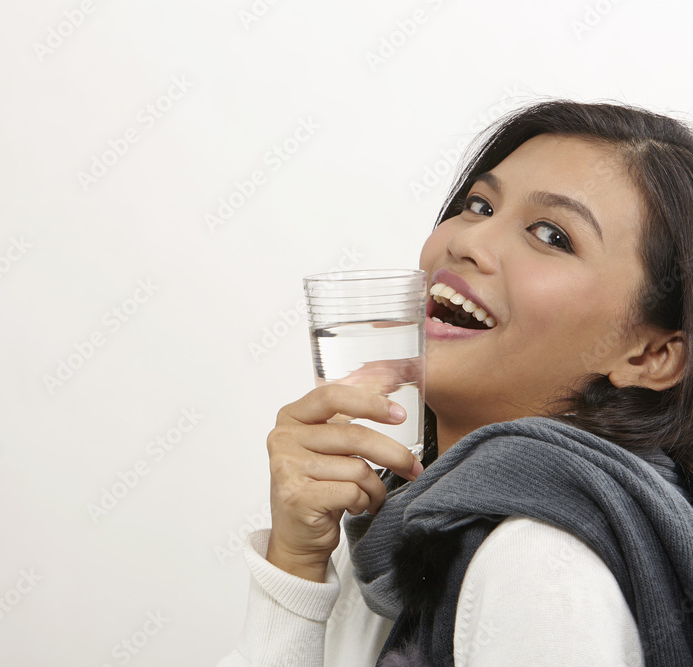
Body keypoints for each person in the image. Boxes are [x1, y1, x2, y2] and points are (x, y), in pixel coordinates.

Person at [218, 99, 693, 666]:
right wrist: (296, 562)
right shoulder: (405, 518)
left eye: (551, 234)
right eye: (479, 204)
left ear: (651, 355)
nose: (467, 241)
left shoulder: (536, 556)